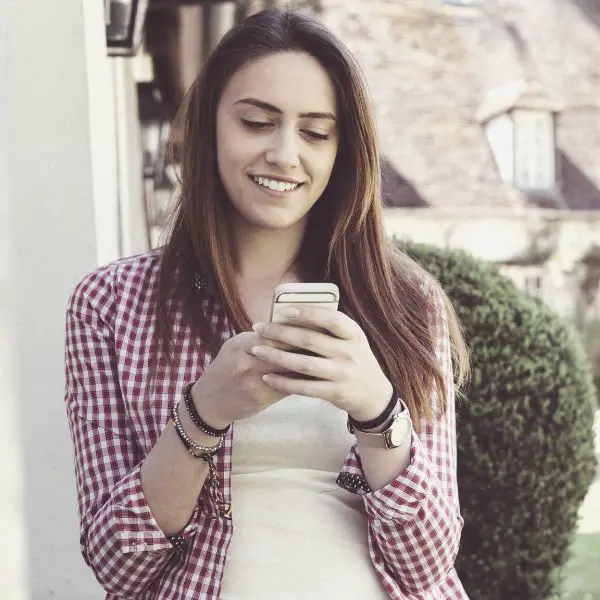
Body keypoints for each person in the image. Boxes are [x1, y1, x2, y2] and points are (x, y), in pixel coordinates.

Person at [64, 7, 470, 600]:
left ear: (342, 152)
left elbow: (426, 566)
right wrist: (202, 414)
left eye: (315, 132)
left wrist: (377, 408)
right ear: (209, 127)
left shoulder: (405, 303)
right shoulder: (111, 304)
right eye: (257, 122)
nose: (285, 153)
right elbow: (116, 563)